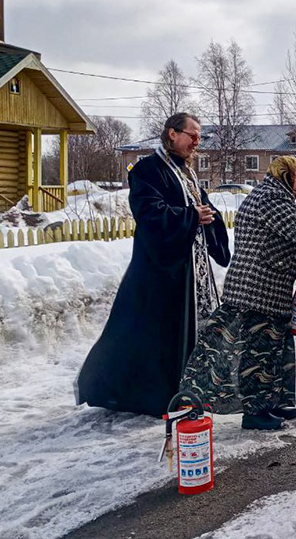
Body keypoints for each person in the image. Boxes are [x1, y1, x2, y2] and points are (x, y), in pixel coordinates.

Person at [181, 156, 296, 430]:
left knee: (276, 348)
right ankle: (255, 413)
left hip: (265, 288)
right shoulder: (271, 199)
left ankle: (278, 402)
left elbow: (282, 238)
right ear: (289, 176)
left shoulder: (271, 196)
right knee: (258, 354)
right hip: (257, 290)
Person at [75, 113, 230, 417]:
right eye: (192, 135)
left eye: (200, 137)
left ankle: (187, 390)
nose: (196, 143)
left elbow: (201, 205)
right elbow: (149, 212)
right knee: (151, 333)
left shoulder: (188, 172)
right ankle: (149, 395)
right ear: (172, 134)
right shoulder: (148, 169)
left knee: (190, 330)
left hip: (189, 268)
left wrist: (208, 217)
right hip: (159, 269)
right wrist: (190, 216)